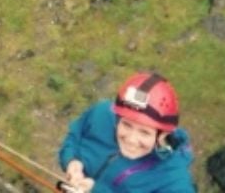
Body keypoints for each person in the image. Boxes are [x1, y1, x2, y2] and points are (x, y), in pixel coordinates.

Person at [58, 72, 196, 193]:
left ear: (163, 135)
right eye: (127, 125)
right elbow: (74, 136)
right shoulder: (101, 114)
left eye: (144, 132)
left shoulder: (173, 179)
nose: (131, 139)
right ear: (118, 118)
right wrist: (71, 160)